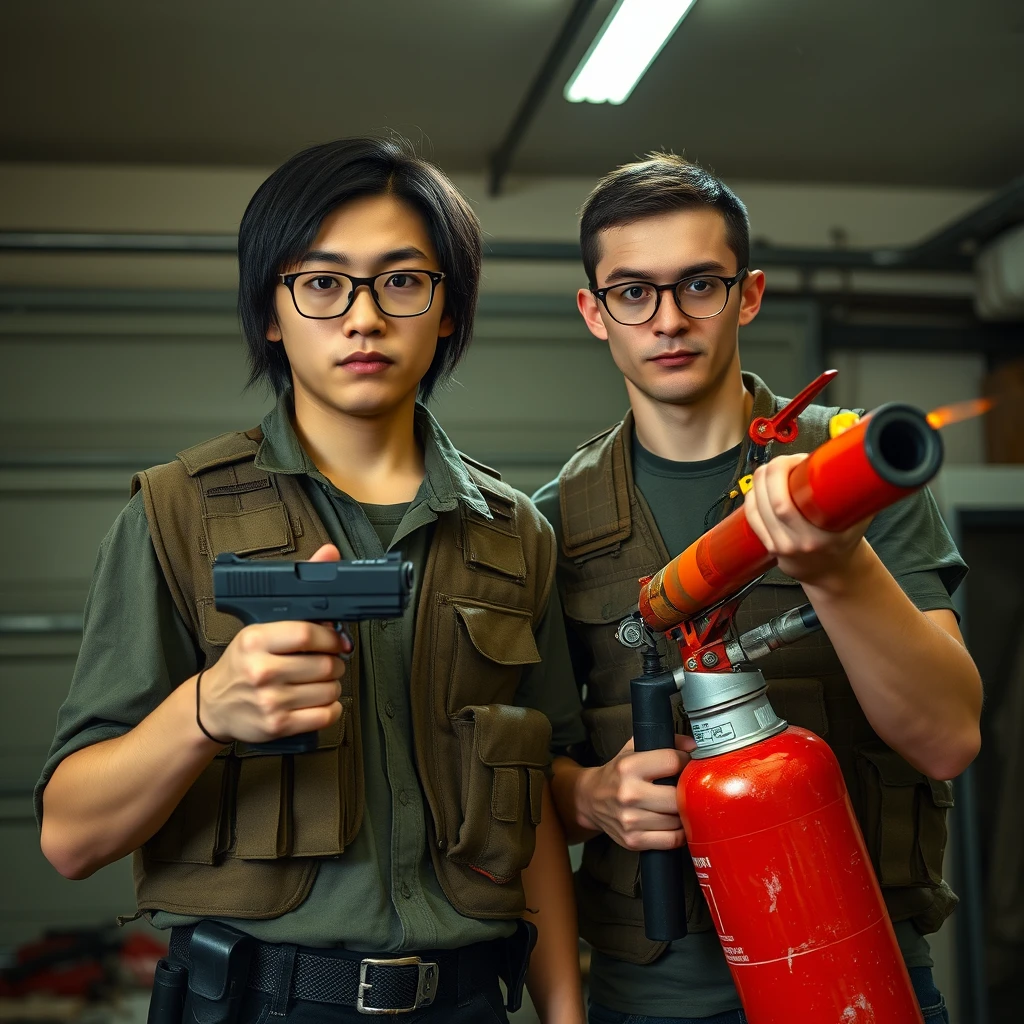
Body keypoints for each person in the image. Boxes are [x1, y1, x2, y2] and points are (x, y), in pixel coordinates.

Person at [37, 137, 586, 1024]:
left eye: (403, 281)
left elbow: (533, 816)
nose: (363, 318)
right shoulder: (171, 515)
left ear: (449, 311)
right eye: (323, 283)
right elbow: (70, 836)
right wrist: (207, 710)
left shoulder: (516, 531)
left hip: (471, 1001)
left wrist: (565, 1014)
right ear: (270, 310)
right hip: (260, 1004)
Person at [533, 152, 982, 1024]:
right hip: (651, 992)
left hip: (859, 972)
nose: (668, 319)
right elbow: (527, 774)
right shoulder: (551, 519)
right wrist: (587, 797)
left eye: (700, 284)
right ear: (595, 311)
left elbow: (947, 738)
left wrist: (837, 564)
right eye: (633, 292)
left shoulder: (847, 469)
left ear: (750, 294)